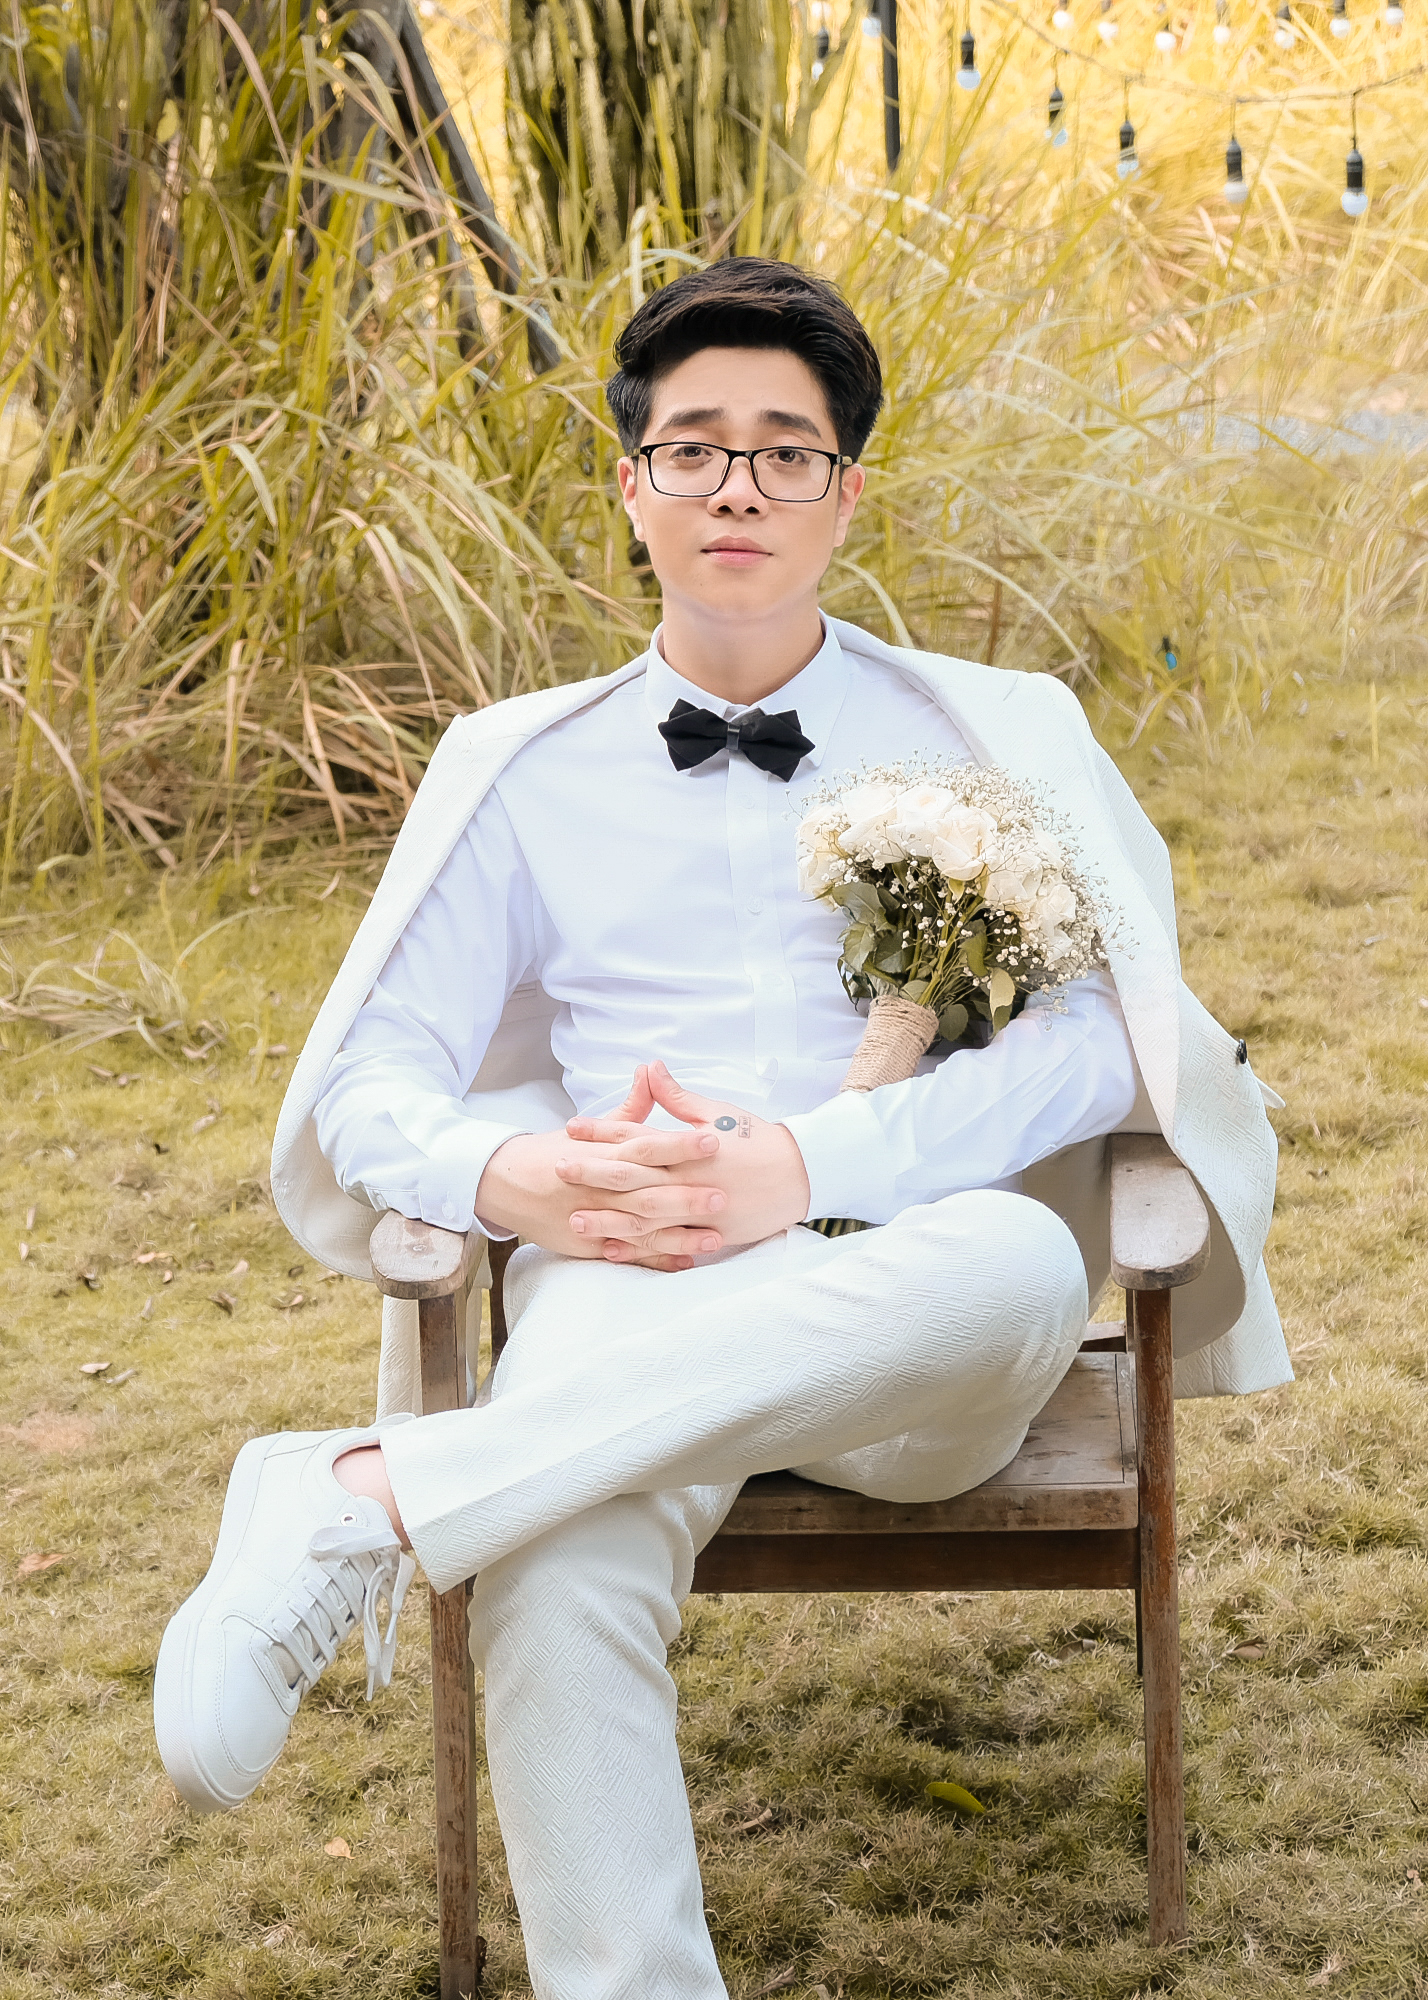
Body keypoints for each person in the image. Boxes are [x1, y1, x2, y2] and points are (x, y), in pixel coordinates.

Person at [153, 258, 1290, 1998]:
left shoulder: (990, 730)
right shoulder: (519, 767)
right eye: (692, 449)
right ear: (633, 488)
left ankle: (367, 1495)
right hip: (631, 1273)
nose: (736, 487)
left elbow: (1099, 1044)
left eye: (783, 449)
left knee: (1011, 1260)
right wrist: (513, 1173)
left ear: (848, 490)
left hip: (912, 1304)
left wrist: (811, 1166)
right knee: (553, 1566)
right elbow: (371, 1080)